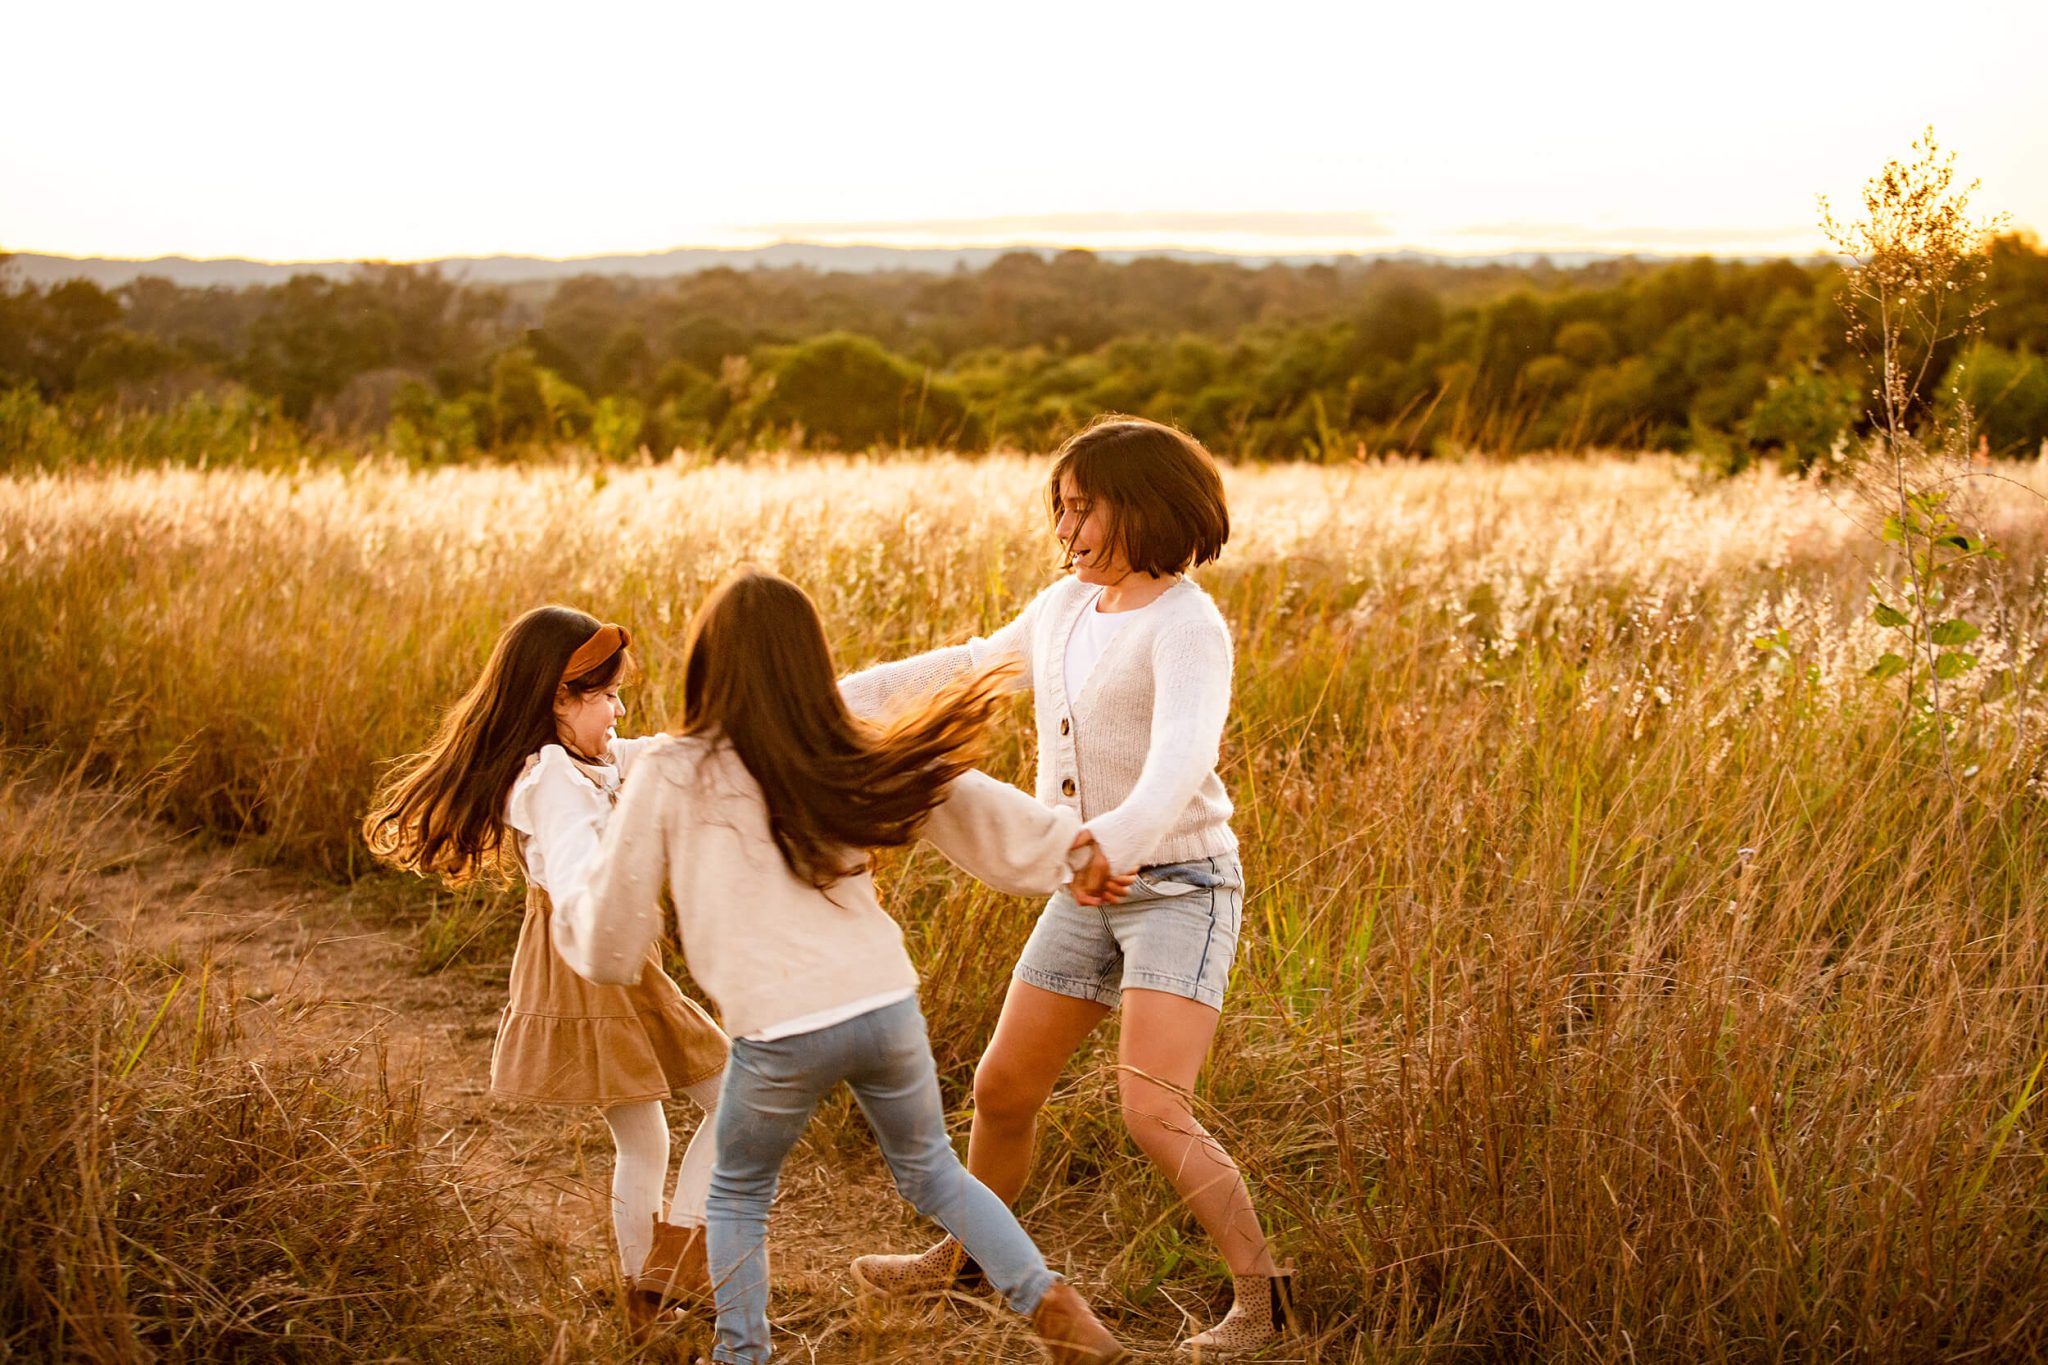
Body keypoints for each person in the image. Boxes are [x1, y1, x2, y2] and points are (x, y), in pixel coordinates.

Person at [556, 568, 1132, 1365]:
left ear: (706, 664)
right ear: (809, 659)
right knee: (932, 1172)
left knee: (738, 1190)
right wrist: (1069, 849)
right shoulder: (846, 742)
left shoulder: (675, 769)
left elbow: (615, 933)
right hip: (884, 1006)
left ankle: (740, 1353)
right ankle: (1055, 1307)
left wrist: (579, 934)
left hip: (781, 1025)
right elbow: (961, 795)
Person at [839, 416, 1294, 1356]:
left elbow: (1179, 765)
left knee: (1151, 1106)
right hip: (1085, 885)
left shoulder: (1187, 626)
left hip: (1179, 888)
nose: (1066, 529)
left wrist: (1107, 845)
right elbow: (966, 670)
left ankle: (1266, 1299)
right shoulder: (1063, 611)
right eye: (1062, 508)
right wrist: (825, 700)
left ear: (1145, 508)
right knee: (1003, 1087)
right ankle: (970, 1258)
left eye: (1083, 510)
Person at [362, 606, 729, 1310]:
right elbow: (569, 863)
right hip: (591, 950)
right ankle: (681, 1260)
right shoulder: (552, 779)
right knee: (736, 1096)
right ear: (560, 698)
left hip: (593, 951)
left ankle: (644, 1301)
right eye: (609, 695)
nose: (621, 708)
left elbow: (657, 753)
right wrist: (603, 902)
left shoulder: (589, 758)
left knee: (645, 1136)